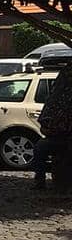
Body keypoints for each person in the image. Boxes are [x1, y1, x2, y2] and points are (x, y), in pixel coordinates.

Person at [35, 60, 72, 189]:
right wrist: (49, 130)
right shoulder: (57, 100)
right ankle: (40, 181)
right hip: (57, 136)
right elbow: (44, 124)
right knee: (40, 148)